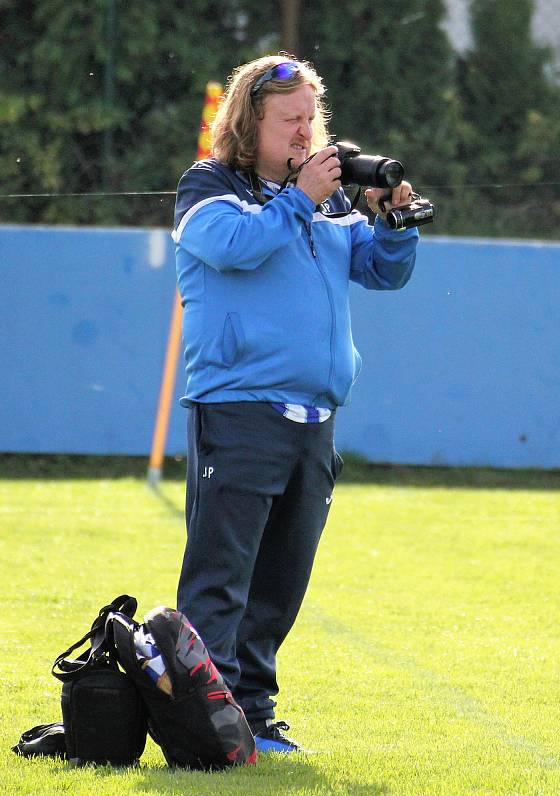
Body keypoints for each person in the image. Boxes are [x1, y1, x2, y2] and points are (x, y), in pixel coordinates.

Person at [172, 55, 419, 753]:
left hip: (314, 420)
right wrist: (299, 198)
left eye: (312, 120)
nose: (305, 134)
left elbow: (379, 272)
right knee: (222, 578)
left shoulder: (327, 200)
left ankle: (252, 713)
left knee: (280, 582)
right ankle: (204, 723)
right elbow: (232, 248)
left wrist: (395, 226)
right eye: (290, 122)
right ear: (250, 123)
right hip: (239, 408)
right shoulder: (210, 186)